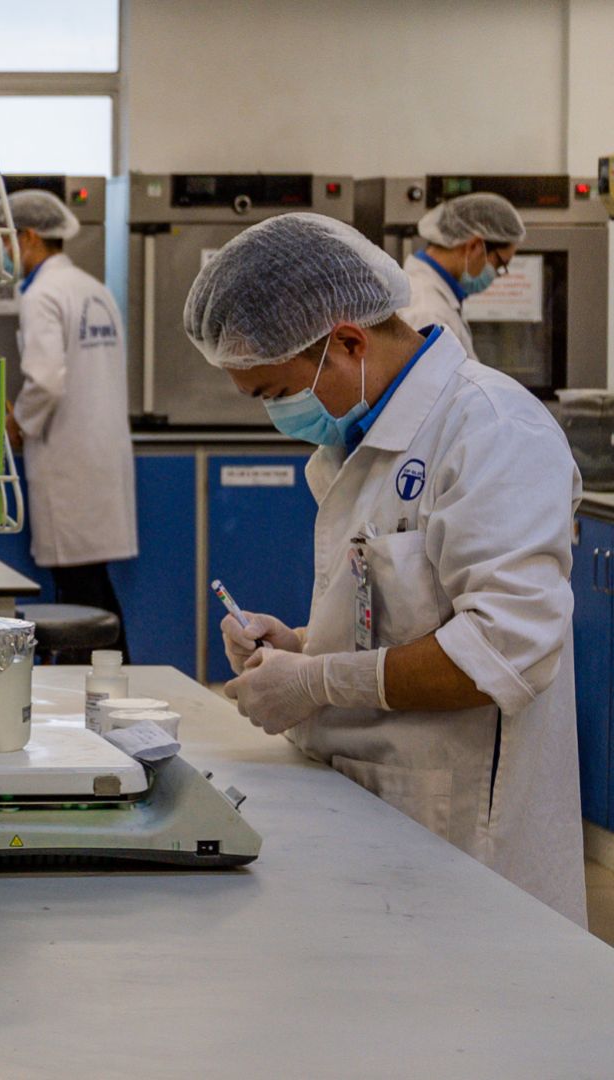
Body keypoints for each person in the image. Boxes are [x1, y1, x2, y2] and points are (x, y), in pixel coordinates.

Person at [183, 212, 586, 927]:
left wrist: (314, 683)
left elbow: (503, 654)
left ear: (347, 342)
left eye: (276, 393)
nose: (276, 414)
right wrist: (302, 645)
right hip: (374, 814)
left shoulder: (490, 430)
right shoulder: (361, 443)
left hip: (463, 840)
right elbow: (398, 616)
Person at [0, 189, 137, 662]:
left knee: (78, 596)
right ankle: (112, 685)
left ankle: (91, 696)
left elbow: (47, 381)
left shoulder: (42, 294)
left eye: (8, 241)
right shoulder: (92, 288)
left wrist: (18, 423)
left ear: (30, 236)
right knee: (91, 585)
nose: (8, 253)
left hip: (69, 459)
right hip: (101, 453)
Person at [398, 192, 525, 359]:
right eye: (500, 264)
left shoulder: (435, 298)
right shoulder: (428, 312)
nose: (496, 274)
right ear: (474, 246)